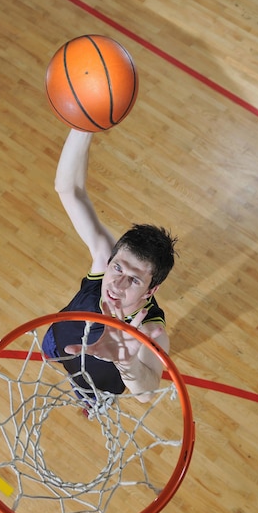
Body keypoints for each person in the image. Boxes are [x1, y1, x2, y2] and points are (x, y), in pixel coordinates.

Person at [42, 129, 178, 403]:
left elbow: (146, 393)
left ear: (151, 291)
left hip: (98, 383)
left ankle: (87, 401)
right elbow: (69, 189)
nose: (117, 283)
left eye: (135, 280)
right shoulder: (105, 260)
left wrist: (126, 364)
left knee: (88, 398)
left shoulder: (150, 331)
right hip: (58, 340)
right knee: (52, 352)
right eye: (117, 268)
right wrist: (84, 125)